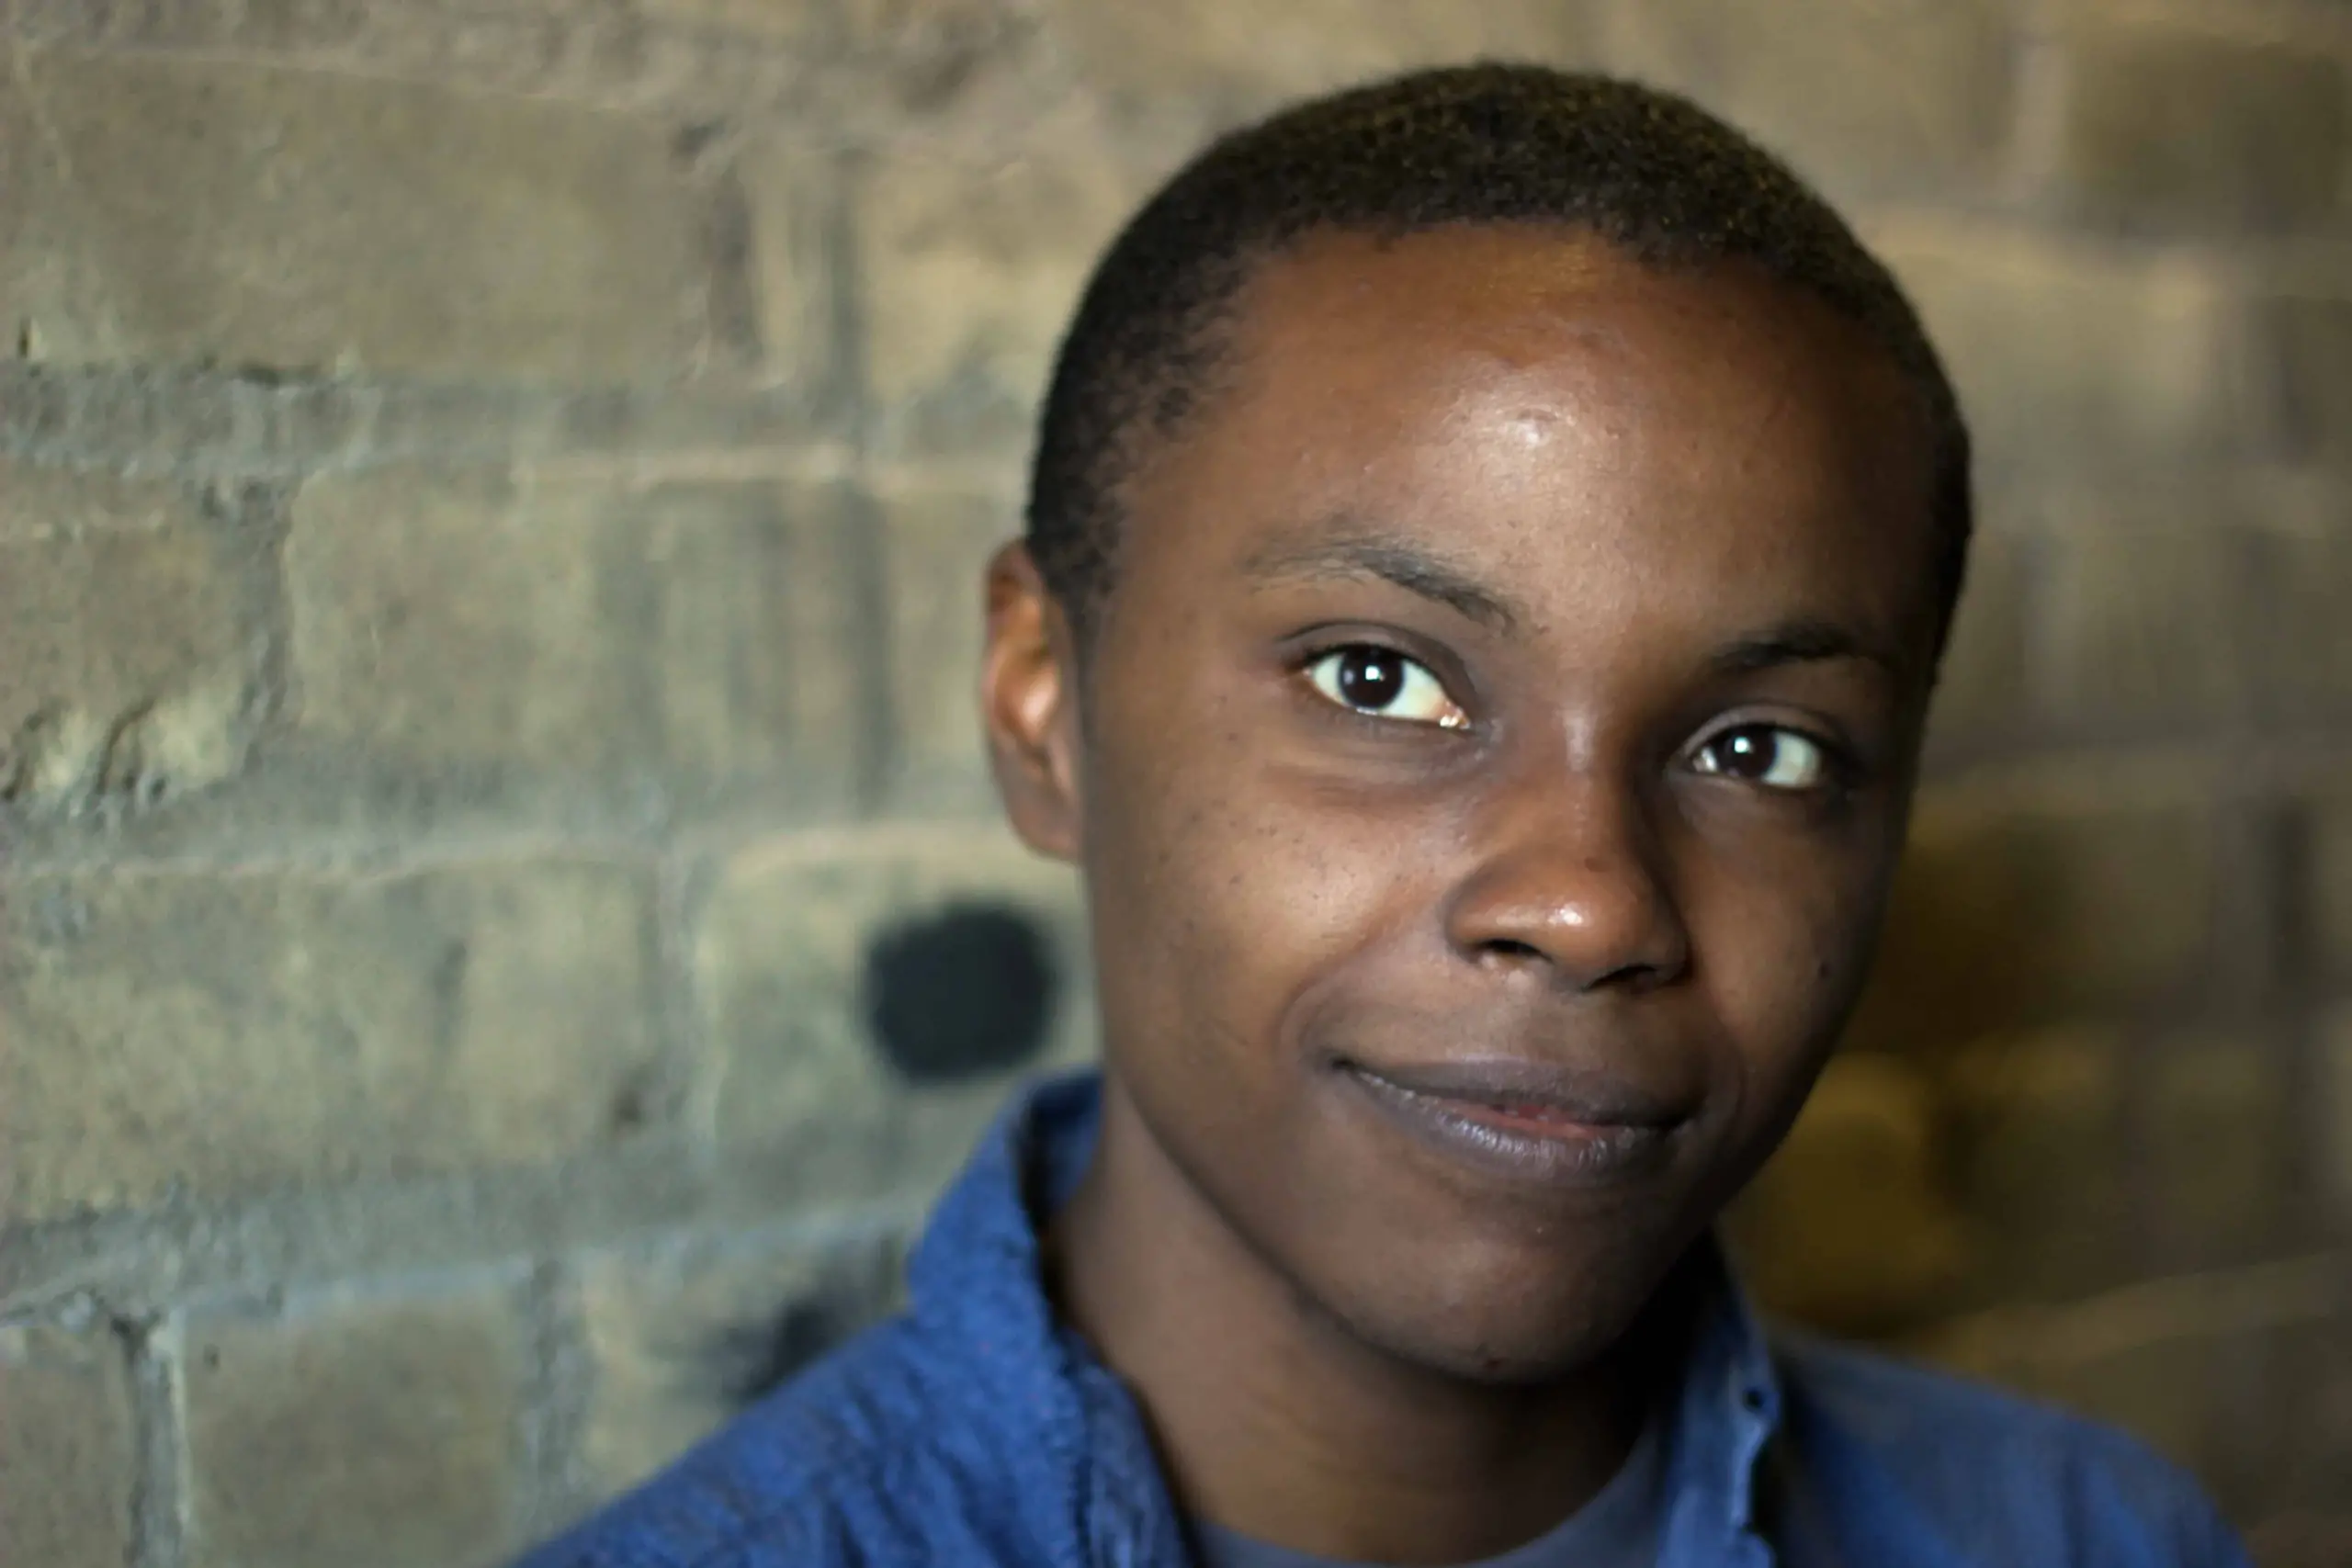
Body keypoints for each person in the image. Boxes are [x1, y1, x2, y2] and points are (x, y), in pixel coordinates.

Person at [517, 64, 2248, 1568]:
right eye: (1378, 681)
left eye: (1761, 751)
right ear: (1041, 705)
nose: (1588, 904)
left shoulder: (2093, 1535)